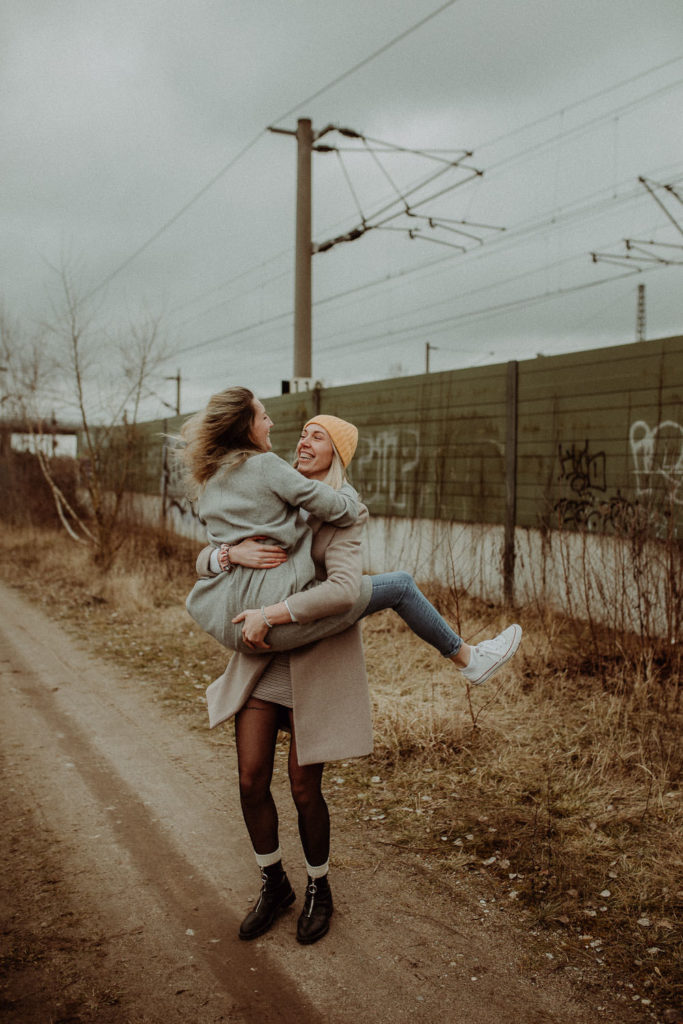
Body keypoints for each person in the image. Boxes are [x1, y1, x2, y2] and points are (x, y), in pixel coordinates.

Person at [188, 401, 521, 945]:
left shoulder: (343, 512)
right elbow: (205, 553)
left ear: (336, 454)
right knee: (250, 779)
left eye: (317, 437)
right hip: (260, 663)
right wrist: (229, 556)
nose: (302, 441)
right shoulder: (271, 487)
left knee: (302, 788)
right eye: (302, 433)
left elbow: (344, 589)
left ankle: (320, 888)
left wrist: (273, 612)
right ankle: (275, 884)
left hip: (310, 662)